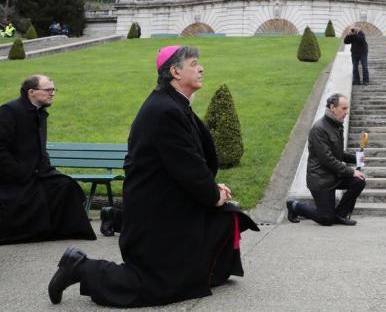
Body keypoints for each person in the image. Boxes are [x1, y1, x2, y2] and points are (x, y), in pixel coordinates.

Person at [47, 46, 259, 306]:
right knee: (154, 286)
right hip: (156, 214)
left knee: (228, 218)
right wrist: (214, 195)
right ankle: (80, 267)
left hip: (171, 205)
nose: (201, 68)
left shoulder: (174, 104)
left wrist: (214, 189)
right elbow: (187, 167)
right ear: (175, 71)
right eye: (194, 64)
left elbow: (188, 162)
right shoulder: (165, 110)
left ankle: (198, 274)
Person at [0, 75, 96, 245]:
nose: (52, 93)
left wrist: (47, 169)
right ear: (31, 92)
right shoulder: (9, 111)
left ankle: (62, 232)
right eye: (48, 90)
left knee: (65, 186)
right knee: (26, 198)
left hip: (38, 172)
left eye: (53, 89)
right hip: (12, 177)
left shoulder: (40, 113)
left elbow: (39, 149)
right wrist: (18, 172)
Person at [286, 93, 366, 226]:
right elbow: (327, 159)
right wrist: (351, 171)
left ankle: (340, 215)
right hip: (320, 180)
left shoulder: (338, 126)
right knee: (326, 220)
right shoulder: (319, 129)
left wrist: (357, 158)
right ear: (332, 107)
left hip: (334, 176)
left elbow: (338, 154)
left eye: (347, 108)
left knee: (359, 181)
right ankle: (295, 206)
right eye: (344, 108)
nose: (346, 112)